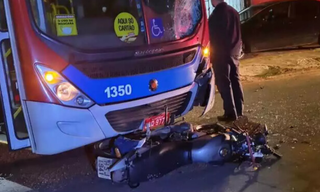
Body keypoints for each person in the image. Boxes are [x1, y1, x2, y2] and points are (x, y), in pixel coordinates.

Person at [208, 0, 244, 122]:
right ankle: (239, 111)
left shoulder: (214, 17)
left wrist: (212, 56)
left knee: (224, 83)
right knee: (235, 80)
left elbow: (213, 39)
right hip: (234, 52)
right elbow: (239, 33)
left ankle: (230, 113)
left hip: (221, 55)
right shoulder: (234, 12)